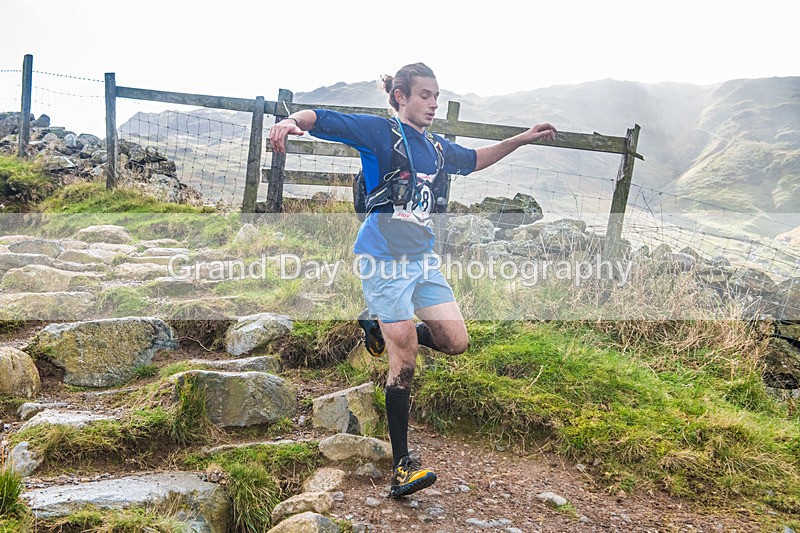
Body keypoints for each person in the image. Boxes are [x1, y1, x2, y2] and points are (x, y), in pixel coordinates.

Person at [269, 62, 556, 497]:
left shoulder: (439, 149)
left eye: (437, 96)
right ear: (401, 96)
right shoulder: (382, 133)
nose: (434, 104)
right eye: (425, 95)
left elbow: (476, 161)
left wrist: (523, 138)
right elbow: (324, 120)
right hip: (382, 259)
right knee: (404, 356)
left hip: (423, 263)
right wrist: (290, 121)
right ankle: (402, 466)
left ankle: (378, 325)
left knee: (455, 341)